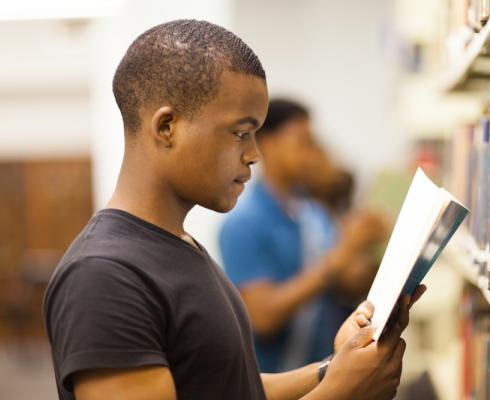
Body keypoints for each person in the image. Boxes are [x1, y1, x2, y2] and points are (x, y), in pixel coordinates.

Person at [42, 20, 425, 400]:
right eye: (241, 133)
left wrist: (335, 366)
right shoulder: (105, 275)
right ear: (167, 127)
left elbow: (231, 386)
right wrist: (340, 393)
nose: (254, 155)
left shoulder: (179, 245)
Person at [220, 99, 388, 372]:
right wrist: (339, 257)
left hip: (324, 377)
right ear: (268, 145)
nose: (312, 155)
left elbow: (346, 284)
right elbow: (263, 317)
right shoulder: (241, 225)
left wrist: (378, 248)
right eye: (303, 142)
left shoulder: (313, 213)